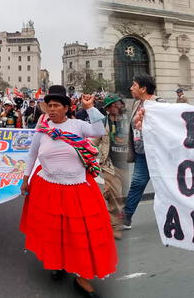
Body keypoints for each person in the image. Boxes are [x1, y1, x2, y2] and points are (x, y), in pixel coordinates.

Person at [19, 85, 117, 297]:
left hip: (77, 187)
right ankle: (58, 262)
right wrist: (26, 178)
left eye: (56, 105)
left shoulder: (78, 125)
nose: (51, 109)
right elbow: (32, 155)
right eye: (49, 106)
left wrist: (90, 108)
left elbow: (99, 131)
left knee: (81, 233)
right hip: (48, 186)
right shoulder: (42, 130)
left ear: (66, 107)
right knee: (54, 230)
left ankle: (81, 276)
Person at [122, 74, 163, 229]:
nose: (131, 88)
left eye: (134, 85)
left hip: (159, 155)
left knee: (167, 184)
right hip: (142, 153)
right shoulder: (137, 104)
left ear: (143, 88)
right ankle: (126, 218)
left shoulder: (159, 104)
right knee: (137, 183)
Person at [94, 94, 129, 240]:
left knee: (122, 194)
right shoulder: (103, 123)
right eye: (114, 105)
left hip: (126, 165)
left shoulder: (130, 120)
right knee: (116, 197)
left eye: (119, 103)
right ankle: (114, 226)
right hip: (109, 165)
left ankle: (107, 198)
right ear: (108, 109)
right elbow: (94, 141)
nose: (118, 106)